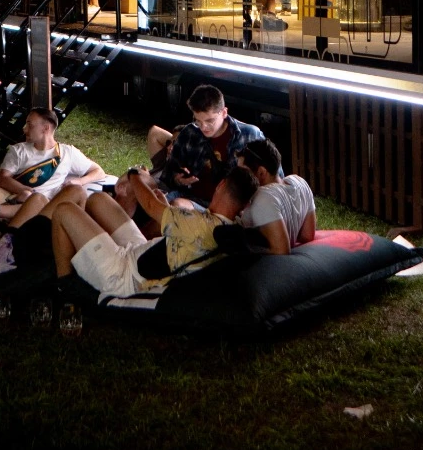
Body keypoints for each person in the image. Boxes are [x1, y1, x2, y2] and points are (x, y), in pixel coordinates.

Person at [55, 163, 260, 302]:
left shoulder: (199, 224)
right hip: (143, 253)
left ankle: (66, 288)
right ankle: (87, 247)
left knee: (64, 210)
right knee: (99, 200)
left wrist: (134, 175)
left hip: (126, 277)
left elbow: (150, 205)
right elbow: (183, 237)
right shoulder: (229, 229)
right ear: (244, 205)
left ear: (221, 185)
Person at [0, 106, 108, 223]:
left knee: (35, 202)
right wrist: (25, 190)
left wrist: (79, 180)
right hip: (13, 195)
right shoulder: (18, 150)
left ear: (45, 128)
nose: (24, 129)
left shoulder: (67, 153)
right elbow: (3, 179)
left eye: (29, 124)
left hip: (41, 206)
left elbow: (98, 171)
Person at [158, 83, 270, 204]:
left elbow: (273, 176)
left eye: (210, 121)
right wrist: (177, 179)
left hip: (229, 207)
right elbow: (168, 173)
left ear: (224, 113)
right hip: (191, 197)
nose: (203, 127)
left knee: (176, 206)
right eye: (198, 121)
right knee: (159, 202)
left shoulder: (249, 135)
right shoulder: (190, 133)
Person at [238, 137, 317, 253]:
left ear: (261, 172)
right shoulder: (300, 182)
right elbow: (307, 235)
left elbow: (281, 251)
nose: (238, 177)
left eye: (243, 171)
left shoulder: (263, 197)